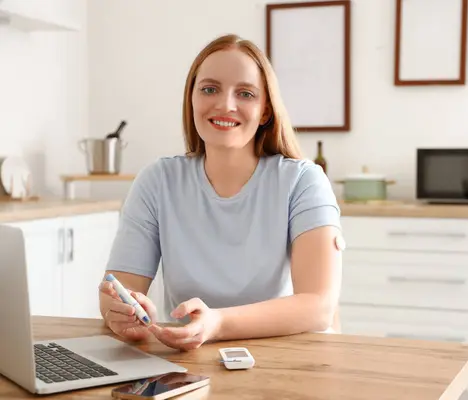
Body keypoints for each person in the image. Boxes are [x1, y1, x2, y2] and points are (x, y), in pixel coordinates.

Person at [98, 33, 343, 351]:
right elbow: (116, 291)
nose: (225, 104)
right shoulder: (157, 181)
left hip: (287, 357)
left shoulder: (304, 182)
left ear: (265, 111)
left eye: (245, 93)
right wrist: (123, 312)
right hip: (192, 360)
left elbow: (318, 307)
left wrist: (218, 323)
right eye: (209, 89)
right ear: (192, 99)